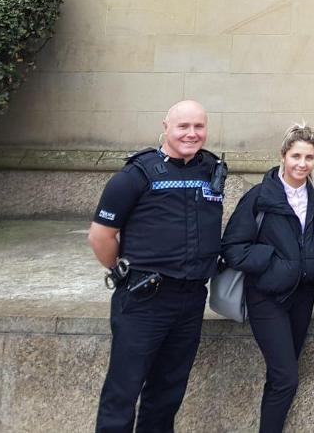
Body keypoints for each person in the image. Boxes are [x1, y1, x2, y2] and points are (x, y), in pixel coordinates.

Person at [88, 100, 226, 433]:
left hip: (191, 300)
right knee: (122, 395)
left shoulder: (212, 169)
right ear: (166, 128)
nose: (192, 134)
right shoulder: (135, 174)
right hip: (144, 300)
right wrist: (124, 272)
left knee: (166, 395)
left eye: (199, 127)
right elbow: (100, 237)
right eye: (183, 126)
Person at [220, 123, 314, 433]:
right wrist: (272, 260)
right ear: (283, 156)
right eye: (296, 156)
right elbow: (232, 247)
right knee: (286, 377)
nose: (302, 164)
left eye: (309, 157)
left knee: (280, 376)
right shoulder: (260, 196)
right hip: (265, 296)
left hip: (301, 296)